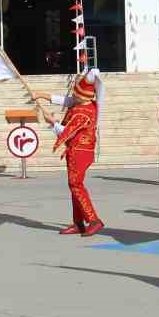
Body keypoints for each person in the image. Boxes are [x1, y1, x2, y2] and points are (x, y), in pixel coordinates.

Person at [35, 70, 106, 237]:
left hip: (80, 151)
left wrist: (52, 122)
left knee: (76, 185)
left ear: (83, 95)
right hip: (78, 150)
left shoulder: (83, 112)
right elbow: (68, 100)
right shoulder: (86, 103)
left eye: (76, 94)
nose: (73, 97)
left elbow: (67, 132)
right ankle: (78, 222)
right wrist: (43, 95)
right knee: (75, 185)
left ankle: (93, 219)